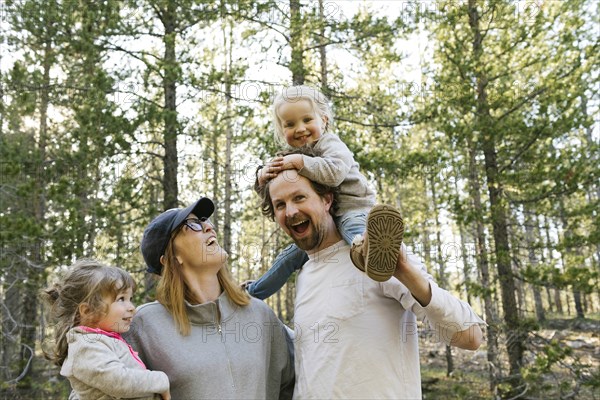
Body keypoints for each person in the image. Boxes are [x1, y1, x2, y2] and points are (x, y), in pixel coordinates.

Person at [259, 167, 485, 399]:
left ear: (327, 200)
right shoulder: (305, 273)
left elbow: (469, 337)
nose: (291, 211)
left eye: (299, 197)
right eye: (280, 205)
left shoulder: (373, 255)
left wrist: (405, 272)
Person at [125, 197, 295, 399]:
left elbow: (292, 387)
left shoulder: (260, 314)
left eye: (205, 220)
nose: (208, 227)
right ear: (172, 257)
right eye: (193, 224)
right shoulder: (144, 325)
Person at [246, 85, 403, 299]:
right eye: (290, 124)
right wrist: (262, 178)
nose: (300, 128)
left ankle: (373, 255)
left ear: (324, 120)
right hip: (323, 223)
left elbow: (335, 173)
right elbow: (277, 191)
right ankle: (250, 294)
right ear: (282, 131)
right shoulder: (293, 154)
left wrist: (300, 162)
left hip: (352, 208)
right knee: (287, 258)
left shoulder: (331, 144)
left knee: (354, 232)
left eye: (307, 120)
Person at [41, 259, 170, 400]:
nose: (132, 307)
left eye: (130, 298)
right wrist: (160, 380)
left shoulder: (104, 340)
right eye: (121, 299)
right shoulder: (86, 346)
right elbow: (119, 381)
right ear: (88, 310)